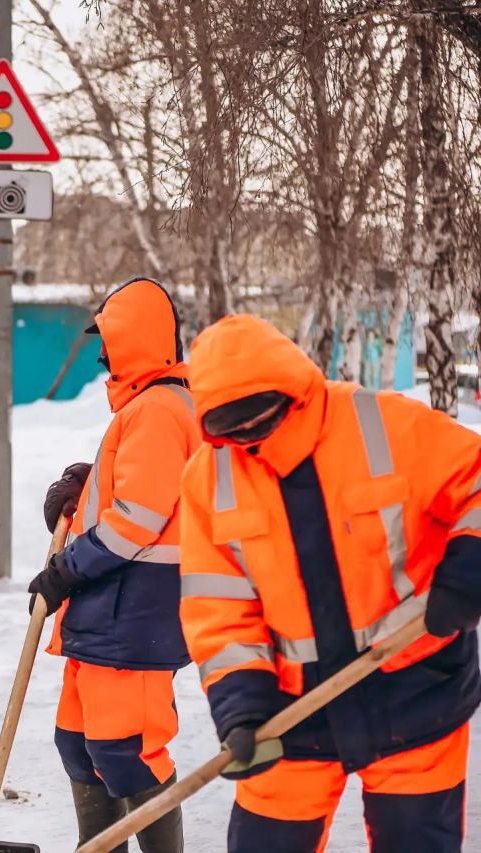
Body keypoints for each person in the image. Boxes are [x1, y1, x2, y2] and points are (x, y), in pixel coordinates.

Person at [179, 314, 481, 852]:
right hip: (291, 712)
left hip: (416, 686)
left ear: (292, 391)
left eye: (260, 420)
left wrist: (468, 574)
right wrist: (241, 703)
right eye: (233, 430)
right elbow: (218, 604)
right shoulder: (209, 477)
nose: (251, 438)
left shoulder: (385, 423)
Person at [30, 278, 199, 853]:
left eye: (108, 339)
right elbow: (126, 495)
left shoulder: (157, 410)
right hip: (108, 616)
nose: (102, 353)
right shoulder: (144, 409)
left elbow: (135, 522)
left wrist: (64, 573)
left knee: (128, 753)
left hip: (135, 620)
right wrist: (84, 485)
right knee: (79, 745)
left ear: (134, 339)